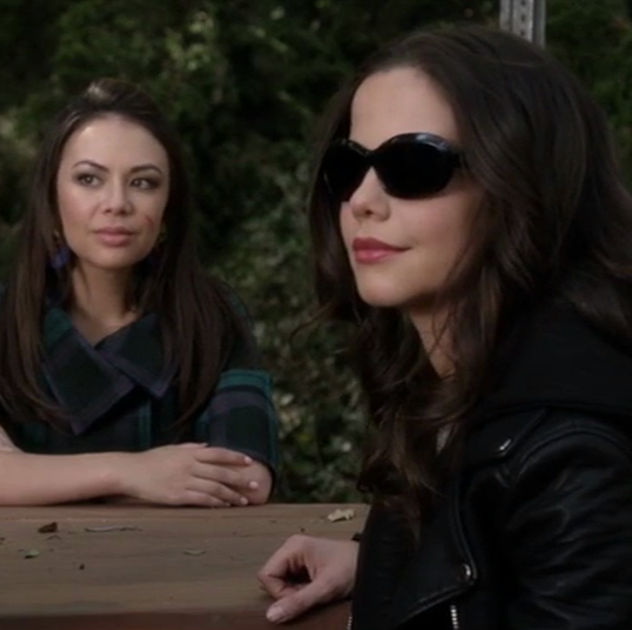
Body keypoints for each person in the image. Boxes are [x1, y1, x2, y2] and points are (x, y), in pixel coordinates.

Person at [257, 25, 632, 628]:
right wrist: (398, 566)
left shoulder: (573, 456)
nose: (362, 200)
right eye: (348, 167)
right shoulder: (460, 377)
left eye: (412, 165)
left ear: (520, 186)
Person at [0, 79, 278, 507]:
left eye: (143, 182)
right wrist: (135, 473)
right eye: (89, 179)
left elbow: (246, 481)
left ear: (168, 207)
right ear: (52, 197)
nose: (116, 203)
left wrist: (22, 473)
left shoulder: (211, 316)